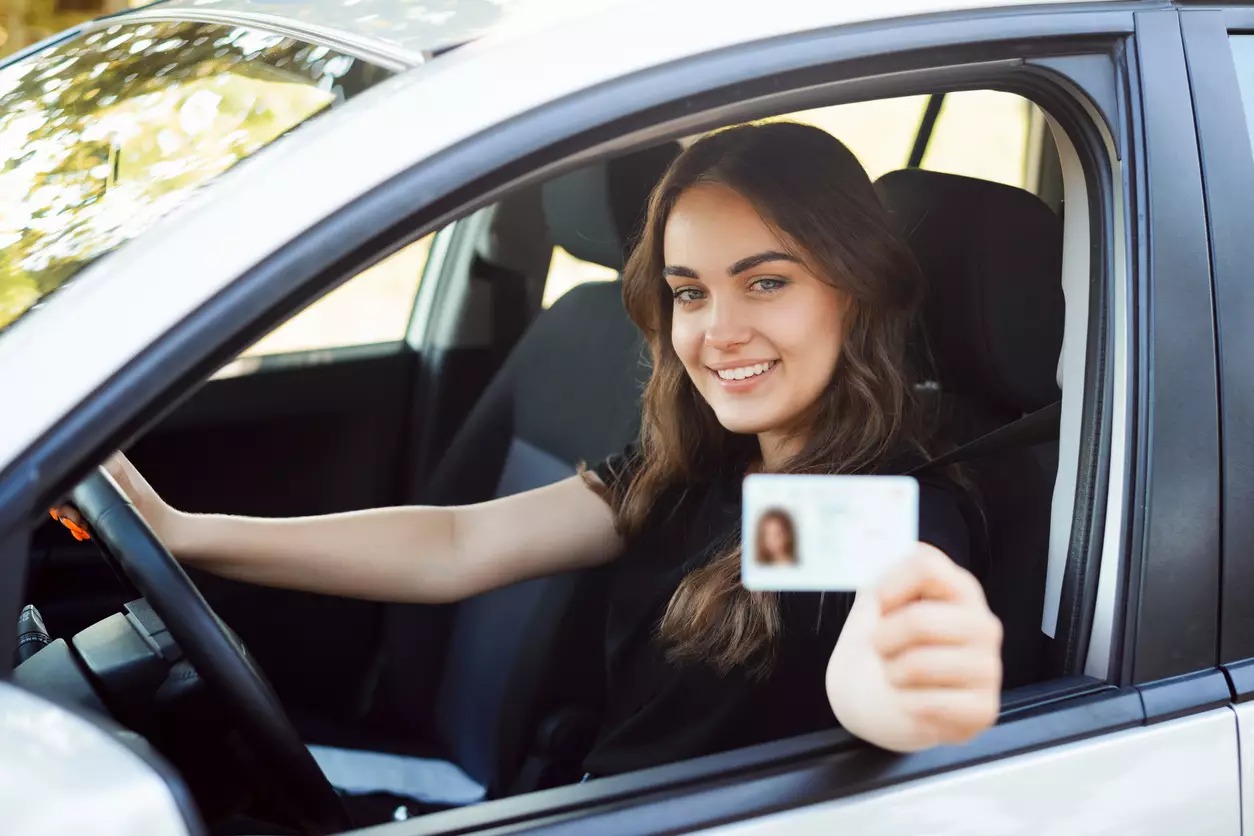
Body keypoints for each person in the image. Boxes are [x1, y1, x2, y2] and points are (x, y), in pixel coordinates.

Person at [60, 122, 1003, 774]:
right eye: (689, 292)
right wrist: (183, 533)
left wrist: (911, 695)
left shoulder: (873, 505)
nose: (718, 333)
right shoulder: (711, 466)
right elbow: (459, 546)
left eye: (765, 284)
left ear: (856, 288)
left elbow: (878, 663)